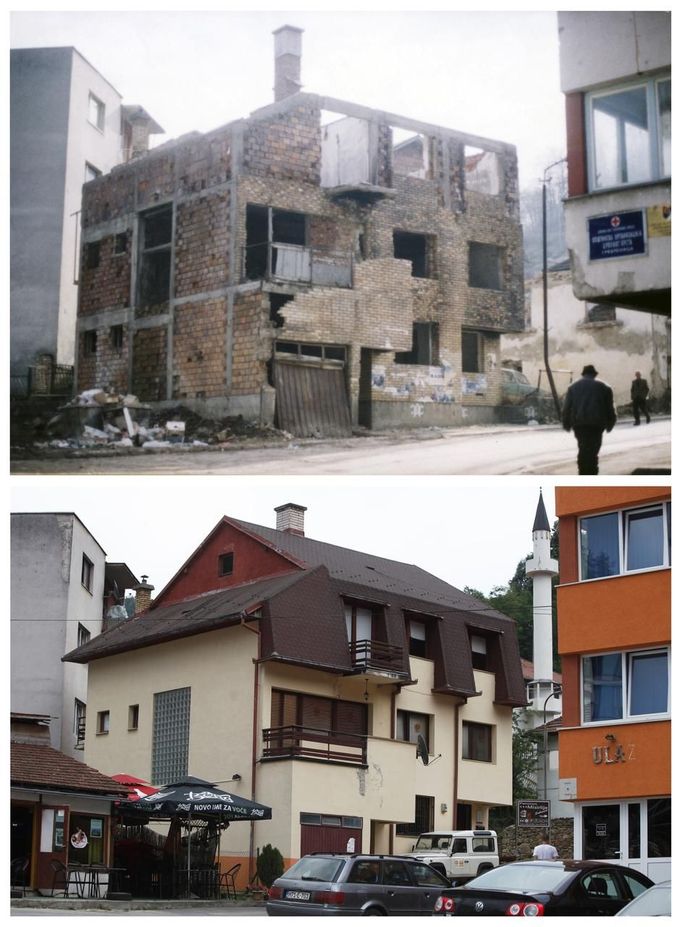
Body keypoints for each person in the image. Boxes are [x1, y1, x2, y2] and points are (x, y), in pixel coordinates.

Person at [562, 365, 617, 475]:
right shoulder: (605, 387)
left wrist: (566, 423)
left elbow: (567, 408)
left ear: (583, 374)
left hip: (579, 424)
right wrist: (611, 423)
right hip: (597, 424)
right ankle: (592, 472)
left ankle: (582, 471)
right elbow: (610, 408)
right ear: (595, 374)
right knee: (593, 450)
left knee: (582, 447)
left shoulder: (573, 387)